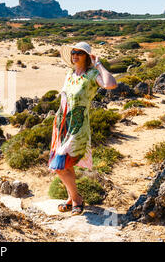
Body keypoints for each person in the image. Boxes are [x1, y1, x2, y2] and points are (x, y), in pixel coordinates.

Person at [48, 42, 117, 215]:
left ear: (87, 56)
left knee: (60, 166)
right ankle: (72, 198)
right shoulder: (70, 74)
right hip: (62, 125)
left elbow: (110, 84)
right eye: (73, 52)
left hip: (78, 127)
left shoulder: (92, 75)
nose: (75, 55)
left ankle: (77, 199)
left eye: (80, 53)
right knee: (64, 165)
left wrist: (99, 64)